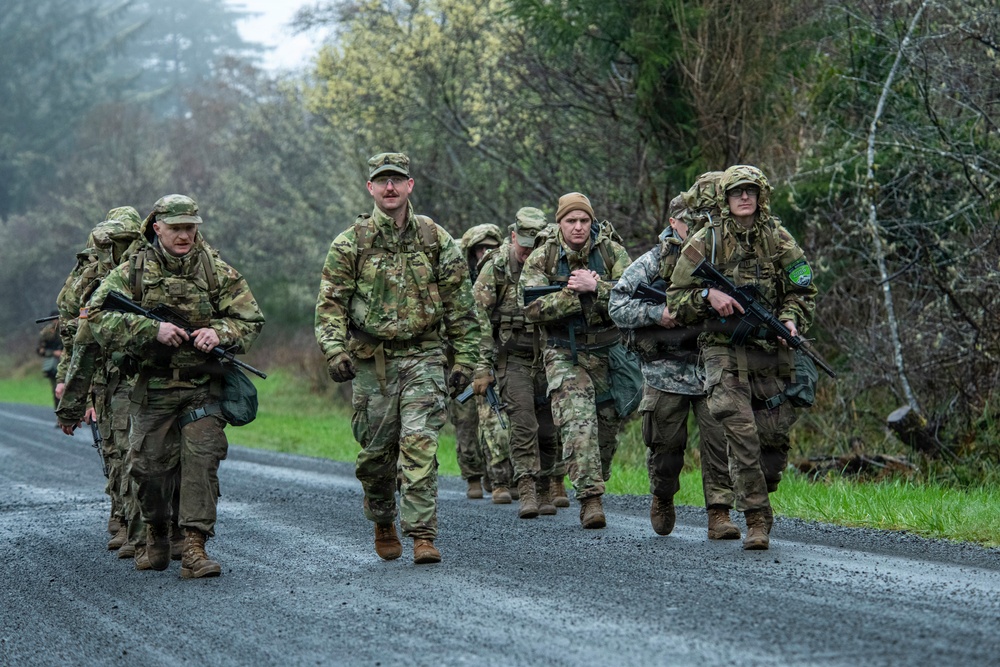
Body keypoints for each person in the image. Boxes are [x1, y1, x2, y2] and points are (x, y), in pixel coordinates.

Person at [315, 152, 480, 564]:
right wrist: (335, 350)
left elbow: (461, 304)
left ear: (409, 185)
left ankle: (423, 535)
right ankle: (383, 517)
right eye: (382, 181)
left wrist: (464, 359)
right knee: (375, 458)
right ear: (370, 188)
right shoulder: (351, 242)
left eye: (397, 180)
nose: (390, 188)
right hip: (373, 364)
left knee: (419, 446)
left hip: (424, 357)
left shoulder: (435, 239)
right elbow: (330, 305)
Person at [88, 194, 265, 577]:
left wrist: (218, 333)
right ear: (157, 228)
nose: (185, 235)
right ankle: (155, 531)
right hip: (153, 390)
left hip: (203, 387)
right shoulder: (132, 271)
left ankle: (195, 548)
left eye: (190, 227)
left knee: (202, 460)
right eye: (176, 228)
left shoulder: (215, 270)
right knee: (147, 469)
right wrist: (150, 329)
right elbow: (96, 318)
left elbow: (250, 319)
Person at [667, 165, 817, 550]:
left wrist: (789, 318)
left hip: (769, 350)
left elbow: (803, 290)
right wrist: (707, 297)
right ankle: (755, 521)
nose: (744, 197)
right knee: (742, 432)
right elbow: (675, 298)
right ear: (725, 199)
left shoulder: (778, 238)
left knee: (772, 444)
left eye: (750, 191)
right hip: (722, 350)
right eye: (737, 192)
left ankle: (757, 494)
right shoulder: (707, 241)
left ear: (760, 196)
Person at [609, 195, 740, 540]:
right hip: (665, 371)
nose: (695, 229)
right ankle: (662, 496)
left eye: (702, 223)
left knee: (718, 442)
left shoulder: (720, 261)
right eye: (688, 222)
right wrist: (657, 314)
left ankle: (719, 512)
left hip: (710, 367)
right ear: (673, 223)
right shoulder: (653, 262)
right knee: (666, 450)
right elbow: (617, 305)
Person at [520, 193, 632, 529]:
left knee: (606, 431)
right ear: (560, 224)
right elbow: (529, 307)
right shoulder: (543, 256)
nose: (579, 227)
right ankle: (590, 501)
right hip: (563, 353)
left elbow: (634, 296)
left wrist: (596, 288)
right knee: (578, 422)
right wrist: (573, 294)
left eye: (584, 220)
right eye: (571, 221)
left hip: (608, 352)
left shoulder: (612, 252)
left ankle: (596, 478)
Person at [55, 206, 147, 554]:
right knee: (115, 449)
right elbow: (73, 336)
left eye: (123, 241)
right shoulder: (87, 276)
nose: (117, 248)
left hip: (143, 371)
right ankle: (124, 519)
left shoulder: (148, 267)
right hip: (103, 375)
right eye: (112, 241)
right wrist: (70, 384)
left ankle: (148, 527)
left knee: (142, 451)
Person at [473, 207, 565, 518]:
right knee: (524, 423)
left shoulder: (555, 261)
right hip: (512, 358)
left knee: (549, 428)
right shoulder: (497, 266)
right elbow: (478, 319)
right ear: (513, 237)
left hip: (551, 356)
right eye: (523, 245)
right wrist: (482, 368)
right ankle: (526, 485)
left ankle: (545, 487)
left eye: (535, 246)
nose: (528, 253)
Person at [452, 224, 504, 501]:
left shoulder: (501, 273)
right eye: (480, 249)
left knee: (496, 418)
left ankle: (499, 476)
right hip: (461, 358)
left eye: (490, 248)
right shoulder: (458, 277)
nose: (485, 253)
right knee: (465, 419)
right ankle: (472, 475)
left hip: (493, 355)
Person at [37, 312, 63, 409]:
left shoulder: (68, 328)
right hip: (54, 364)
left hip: (69, 362)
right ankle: (59, 413)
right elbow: (40, 350)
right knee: (57, 390)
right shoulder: (46, 332)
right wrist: (53, 353)